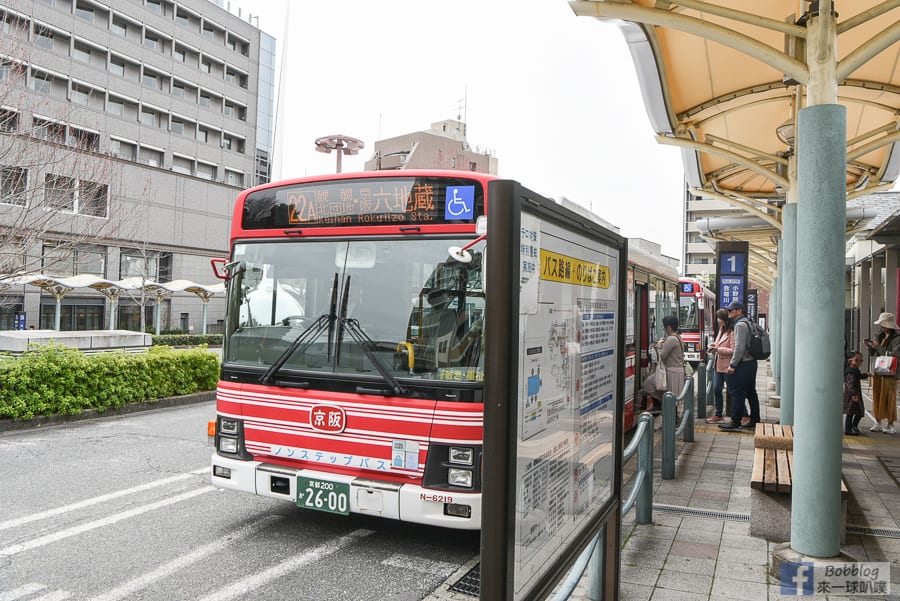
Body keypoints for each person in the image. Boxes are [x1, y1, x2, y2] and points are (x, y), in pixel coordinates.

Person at [718, 301, 760, 432]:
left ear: (739, 311)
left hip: (743, 364)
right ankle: (755, 419)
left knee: (737, 393)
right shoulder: (748, 322)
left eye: (731, 310)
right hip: (751, 363)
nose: (729, 312)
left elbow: (739, 348)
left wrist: (733, 364)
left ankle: (735, 421)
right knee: (750, 392)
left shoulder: (740, 325)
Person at [864, 312, 899, 434]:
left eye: (883, 324)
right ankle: (878, 421)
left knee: (890, 397)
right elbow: (874, 354)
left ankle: (890, 424)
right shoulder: (880, 336)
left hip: (891, 373)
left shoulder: (897, 339)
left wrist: (878, 347)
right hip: (879, 372)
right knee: (877, 396)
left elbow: (895, 355)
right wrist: (870, 346)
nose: (881, 327)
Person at [705, 308, 734, 424]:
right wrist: (713, 345)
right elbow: (719, 343)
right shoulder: (721, 330)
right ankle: (718, 414)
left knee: (732, 391)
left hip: (727, 366)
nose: (717, 320)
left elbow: (733, 350)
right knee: (716, 389)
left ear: (725, 319)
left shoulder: (732, 331)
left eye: (719, 318)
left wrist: (718, 349)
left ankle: (744, 414)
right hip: (718, 365)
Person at [655, 314, 687, 405]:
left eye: (664, 326)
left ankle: (672, 418)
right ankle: (674, 417)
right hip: (678, 371)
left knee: (671, 398)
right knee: (675, 397)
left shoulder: (671, 339)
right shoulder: (678, 337)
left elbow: (662, 356)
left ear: (669, 327)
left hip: (672, 372)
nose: (663, 329)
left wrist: (659, 345)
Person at [843, 350, 868, 435]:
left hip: (855, 394)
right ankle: (848, 429)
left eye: (860, 360)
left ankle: (853, 426)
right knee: (851, 413)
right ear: (850, 360)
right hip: (852, 396)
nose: (859, 362)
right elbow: (850, 385)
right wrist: (854, 395)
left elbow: (859, 376)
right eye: (856, 360)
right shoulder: (851, 372)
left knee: (858, 412)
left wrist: (867, 375)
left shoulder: (855, 371)